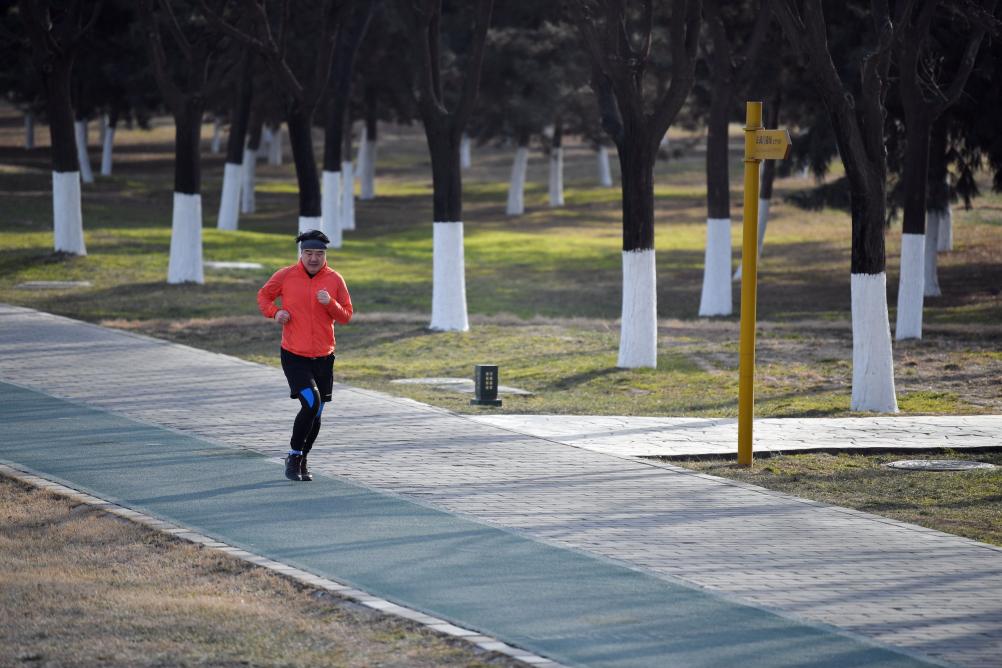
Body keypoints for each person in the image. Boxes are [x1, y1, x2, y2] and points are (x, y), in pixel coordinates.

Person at [257, 230, 353, 481]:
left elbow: (346, 316)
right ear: (301, 253)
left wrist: (330, 303)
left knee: (316, 412)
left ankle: (303, 458)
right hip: (294, 355)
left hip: (324, 357)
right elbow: (264, 295)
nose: (313, 258)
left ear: (325, 255)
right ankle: (293, 455)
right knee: (311, 403)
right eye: (308, 253)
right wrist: (275, 312)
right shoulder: (286, 275)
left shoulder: (335, 279)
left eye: (319, 253)